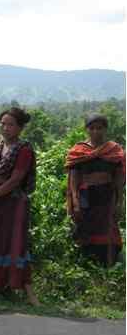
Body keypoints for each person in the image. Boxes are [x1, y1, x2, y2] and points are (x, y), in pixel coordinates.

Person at [0, 107, 39, 306]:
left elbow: (15, 179)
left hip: (11, 201)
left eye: (10, 124)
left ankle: (19, 286)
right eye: (2, 124)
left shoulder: (24, 149)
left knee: (14, 243)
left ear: (20, 128)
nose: (5, 128)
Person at [65, 113, 125, 266]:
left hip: (106, 195)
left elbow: (119, 179)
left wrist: (120, 202)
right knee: (85, 228)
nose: (96, 132)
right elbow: (73, 180)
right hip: (86, 196)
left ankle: (108, 264)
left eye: (99, 128)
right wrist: (76, 203)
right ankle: (87, 264)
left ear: (105, 129)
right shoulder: (78, 151)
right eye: (92, 128)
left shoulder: (114, 150)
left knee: (108, 228)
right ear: (87, 130)